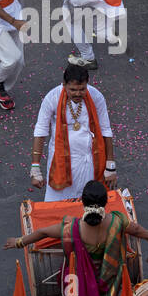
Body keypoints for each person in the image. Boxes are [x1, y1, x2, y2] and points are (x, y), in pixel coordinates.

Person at [6, 180, 148, 296]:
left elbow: (42, 233)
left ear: (83, 202)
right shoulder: (117, 222)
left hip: (80, 285)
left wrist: (19, 242)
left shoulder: (71, 228)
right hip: (109, 284)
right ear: (105, 202)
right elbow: (138, 229)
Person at [31, 63, 115, 200]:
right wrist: (35, 168)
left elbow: (106, 130)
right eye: (73, 89)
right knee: (56, 206)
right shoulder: (52, 97)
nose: (78, 93)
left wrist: (111, 166)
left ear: (87, 84)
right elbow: (41, 131)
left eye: (82, 89)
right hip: (60, 160)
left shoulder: (96, 96)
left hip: (89, 160)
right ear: (64, 84)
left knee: (89, 202)